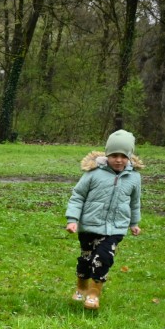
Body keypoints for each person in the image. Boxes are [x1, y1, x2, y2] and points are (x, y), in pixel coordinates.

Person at [65, 129, 142, 310]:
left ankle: (93, 294)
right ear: (107, 155)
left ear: (129, 157)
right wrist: (72, 219)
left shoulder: (134, 178)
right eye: (114, 155)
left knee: (104, 258)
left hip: (115, 228)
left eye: (123, 156)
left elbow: (135, 202)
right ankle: (81, 287)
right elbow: (78, 196)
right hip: (89, 226)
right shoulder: (93, 174)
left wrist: (134, 223)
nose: (118, 160)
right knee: (86, 259)